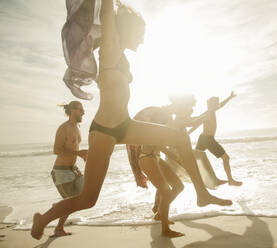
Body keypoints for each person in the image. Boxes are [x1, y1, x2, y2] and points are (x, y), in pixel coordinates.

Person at [31, 0, 231, 240]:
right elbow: (107, 13)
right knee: (88, 200)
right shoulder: (111, 47)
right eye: (141, 33)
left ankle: (201, 193)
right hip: (104, 130)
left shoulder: (121, 54)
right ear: (125, 30)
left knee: (179, 137)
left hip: (125, 126)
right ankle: (42, 219)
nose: (143, 39)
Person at [128, 107, 185, 237]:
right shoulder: (152, 130)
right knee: (166, 191)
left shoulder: (159, 128)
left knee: (179, 186)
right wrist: (179, 160)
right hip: (147, 159)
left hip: (156, 158)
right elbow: (162, 147)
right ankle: (165, 230)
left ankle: (160, 214)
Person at [51, 101, 88, 236]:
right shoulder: (64, 128)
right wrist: (78, 153)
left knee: (86, 196)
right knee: (70, 204)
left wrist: (82, 155)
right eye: (81, 110)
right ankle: (58, 228)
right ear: (72, 110)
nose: (83, 112)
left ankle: (58, 206)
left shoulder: (77, 128)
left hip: (74, 169)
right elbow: (56, 149)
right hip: (61, 172)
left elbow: (74, 149)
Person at [191, 91, 242, 186]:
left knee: (196, 158)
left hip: (203, 138)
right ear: (210, 104)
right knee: (226, 158)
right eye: (216, 103)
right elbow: (196, 124)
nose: (218, 105)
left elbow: (221, 105)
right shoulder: (208, 113)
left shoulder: (211, 111)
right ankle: (230, 180)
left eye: (217, 103)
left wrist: (230, 97)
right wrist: (186, 133)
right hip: (207, 139)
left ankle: (197, 177)